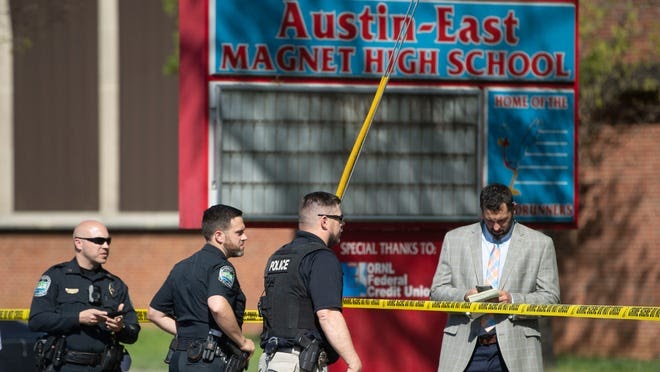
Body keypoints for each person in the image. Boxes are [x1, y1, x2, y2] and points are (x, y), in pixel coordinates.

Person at [430, 183, 560, 372]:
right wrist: (465, 297)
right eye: (490, 220)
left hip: (517, 352)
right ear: (482, 211)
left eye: (502, 220)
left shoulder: (540, 244)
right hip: (464, 347)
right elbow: (436, 291)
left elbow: (551, 298)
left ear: (514, 209)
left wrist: (513, 300)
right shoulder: (455, 239)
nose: (496, 226)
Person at [258, 191, 362, 372]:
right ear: (324, 221)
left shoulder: (278, 256)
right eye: (339, 219)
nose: (343, 225)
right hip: (299, 363)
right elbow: (327, 314)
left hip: (271, 360)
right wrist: (353, 361)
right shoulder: (321, 257)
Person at [147, 204, 255, 371]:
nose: (244, 237)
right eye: (239, 232)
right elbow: (218, 306)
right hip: (207, 360)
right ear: (219, 236)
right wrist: (242, 341)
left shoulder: (181, 267)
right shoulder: (221, 267)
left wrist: (187, 335)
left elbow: (155, 314)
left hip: (180, 359)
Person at [29, 220, 140, 372]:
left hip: (105, 366)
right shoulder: (56, 276)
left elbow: (133, 334)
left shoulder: (115, 284)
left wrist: (120, 328)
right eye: (98, 241)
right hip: (65, 365)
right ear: (78, 243)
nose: (106, 246)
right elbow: (37, 320)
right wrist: (78, 318)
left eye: (108, 241)